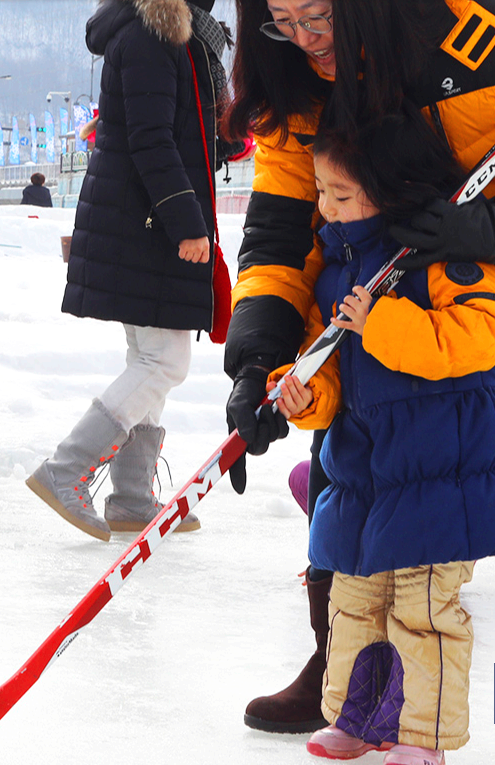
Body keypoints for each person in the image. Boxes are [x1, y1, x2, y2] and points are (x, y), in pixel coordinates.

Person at [223, 0, 495, 734]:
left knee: (438, 498)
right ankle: (340, 668)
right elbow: (281, 232)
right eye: (282, 21)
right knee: (343, 469)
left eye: (318, 16)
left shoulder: (470, 41)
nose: (305, 40)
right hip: (362, 307)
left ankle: (417, 699)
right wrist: (258, 358)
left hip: (466, 310)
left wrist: (486, 227)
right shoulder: (294, 83)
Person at [270, 109, 495, 765]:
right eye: (321, 191)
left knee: (422, 609)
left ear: (390, 191)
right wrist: (307, 393)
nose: (326, 208)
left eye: (340, 196)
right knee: (354, 601)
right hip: (361, 471)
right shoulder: (339, 269)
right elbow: (329, 362)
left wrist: (384, 324)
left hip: (438, 473)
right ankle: (357, 716)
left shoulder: (442, 257)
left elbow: (478, 338)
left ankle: (423, 735)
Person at [26, 0, 235, 541]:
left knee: (149, 357)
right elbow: (151, 138)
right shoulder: (153, 35)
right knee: (165, 361)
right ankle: (67, 468)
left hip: (142, 219)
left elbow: (177, 128)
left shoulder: (174, 36)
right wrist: (186, 223)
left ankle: (132, 497)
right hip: (148, 223)